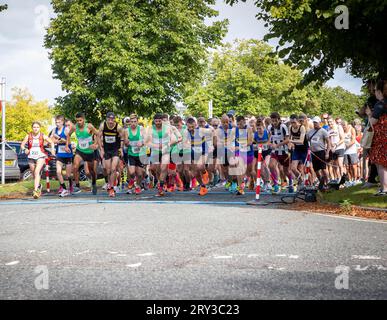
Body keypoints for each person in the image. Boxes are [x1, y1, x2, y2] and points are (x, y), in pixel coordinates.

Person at [66, 112, 99, 195]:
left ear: (84, 119)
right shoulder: (74, 127)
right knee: (75, 166)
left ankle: (94, 183)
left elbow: (98, 134)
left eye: (80, 120)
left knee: (91, 171)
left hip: (89, 151)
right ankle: (77, 185)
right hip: (79, 150)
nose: (79, 122)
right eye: (77, 121)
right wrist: (67, 145)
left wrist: (96, 144)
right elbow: (68, 135)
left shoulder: (89, 126)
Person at [21, 122, 55, 199]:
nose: (36, 128)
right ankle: (39, 185)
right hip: (31, 156)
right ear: (32, 128)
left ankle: (35, 191)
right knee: (33, 173)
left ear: (39, 128)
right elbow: (22, 145)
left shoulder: (42, 135)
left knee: (37, 172)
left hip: (41, 156)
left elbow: (52, 142)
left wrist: (52, 149)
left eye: (37, 127)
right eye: (34, 127)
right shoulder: (28, 136)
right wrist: (25, 149)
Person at [98, 112, 126, 197]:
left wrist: (121, 147)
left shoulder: (118, 127)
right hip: (106, 150)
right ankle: (110, 184)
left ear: (114, 119)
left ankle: (112, 188)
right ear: (106, 119)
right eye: (109, 119)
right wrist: (101, 149)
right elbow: (98, 137)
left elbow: (122, 137)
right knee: (108, 170)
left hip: (115, 150)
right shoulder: (103, 126)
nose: (110, 121)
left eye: (112, 119)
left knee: (113, 169)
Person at [367, 79, 387, 196]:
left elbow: (373, 122)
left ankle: (384, 189)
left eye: (375, 90)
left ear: (379, 91)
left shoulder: (380, 104)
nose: (374, 93)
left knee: (381, 163)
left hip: (381, 138)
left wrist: (369, 114)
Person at [267, 112, 292, 194]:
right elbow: (269, 139)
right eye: (272, 121)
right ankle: (276, 184)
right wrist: (270, 144)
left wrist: (277, 145)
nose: (274, 123)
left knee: (286, 171)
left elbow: (287, 140)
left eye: (275, 121)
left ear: (279, 120)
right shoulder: (270, 127)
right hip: (275, 151)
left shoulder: (283, 127)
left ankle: (292, 182)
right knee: (271, 165)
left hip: (284, 151)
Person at [50, 115, 74, 197]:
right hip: (59, 153)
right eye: (56, 122)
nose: (57, 124)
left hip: (67, 153)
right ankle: (64, 188)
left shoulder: (66, 129)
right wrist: (53, 148)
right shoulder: (54, 130)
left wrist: (60, 140)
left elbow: (68, 141)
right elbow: (51, 140)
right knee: (58, 172)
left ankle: (71, 185)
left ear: (62, 122)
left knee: (68, 175)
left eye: (59, 122)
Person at [307, 116, 331, 190]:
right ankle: (321, 183)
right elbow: (306, 140)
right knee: (316, 170)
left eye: (316, 123)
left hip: (321, 152)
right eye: (314, 123)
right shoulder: (310, 131)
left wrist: (327, 153)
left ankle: (328, 182)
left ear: (319, 123)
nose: (315, 124)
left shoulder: (323, 131)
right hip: (313, 153)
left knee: (323, 169)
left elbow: (329, 143)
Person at [124, 114, 146, 195]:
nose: (133, 123)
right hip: (131, 154)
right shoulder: (126, 131)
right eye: (132, 122)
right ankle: (132, 183)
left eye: (135, 121)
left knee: (140, 174)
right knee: (132, 172)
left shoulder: (141, 129)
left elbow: (146, 139)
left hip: (140, 154)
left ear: (137, 122)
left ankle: (137, 186)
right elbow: (126, 143)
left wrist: (142, 142)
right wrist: (126, 142)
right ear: (129, 122)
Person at [289, 114, 308, 190]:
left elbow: (301, 141)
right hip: (297, 150)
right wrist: (290, 145)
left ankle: (310, 182)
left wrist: (291, 141)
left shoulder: (302, 127)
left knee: (306, 168)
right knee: (293, 168)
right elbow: (289, 139)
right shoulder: (290, 128)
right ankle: (301, 180)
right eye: (291, 122)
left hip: (304, 149)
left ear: (297, 121)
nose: (293, 124)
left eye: (294, 122)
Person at [342, 121, 360, 186]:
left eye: (344, 125)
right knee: (347, 167)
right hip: (345, 152)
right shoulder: (342, 131)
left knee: (354, 166)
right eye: (342, 125)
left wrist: (347, 145)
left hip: (352, 151)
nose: (343, 126)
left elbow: (353, 140)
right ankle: (350, 180)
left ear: (347, 125)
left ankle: (355, 180)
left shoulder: (351, 129)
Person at [327, 117, 345, 182]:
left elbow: (343, 138)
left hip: (340, 147)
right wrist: (330, 148)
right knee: (335, 165)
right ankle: (338, 178)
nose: (329, 123)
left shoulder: (338, 127)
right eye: (328, 122)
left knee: (340, 164)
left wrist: (336, 144)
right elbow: (328, 140)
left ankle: (343, 178)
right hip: (333, 149)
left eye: (331, 121)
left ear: (334, 121)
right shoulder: (328, 129)